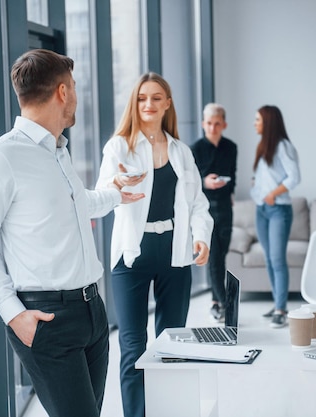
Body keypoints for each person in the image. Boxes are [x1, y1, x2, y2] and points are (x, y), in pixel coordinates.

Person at [0, 49, 144, 417]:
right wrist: (14, 315)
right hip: (45, 319)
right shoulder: (1, 159)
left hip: (91, 311)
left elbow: (77, 205)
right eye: (75, 87)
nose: (77, 96)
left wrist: (116, 194)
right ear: (62, 92)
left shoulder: (58, 151)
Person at [95, 72, 213, 417]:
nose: (149, 104)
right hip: (132, 256)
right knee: (133, 346)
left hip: (174, 255)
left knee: (173, 344)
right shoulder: (119, 146)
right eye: (142, 98)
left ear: (167, 103)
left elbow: (198, 204)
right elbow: (100, 195)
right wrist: (115, 184)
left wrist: (201, 237)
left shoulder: (181, 151)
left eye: (156, 97)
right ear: (135, 103)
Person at [250, 105, 301, 328]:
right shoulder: (263, 146)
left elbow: (294, 178)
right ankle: (277, 303)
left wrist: (272, 193)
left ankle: (281, 309)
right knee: (269, 259)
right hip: (261, 209)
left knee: (278, 260)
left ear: (268, 122)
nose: (255, 123)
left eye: (258, 119)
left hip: (279, 209)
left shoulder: (284, 146)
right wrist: (257, 189)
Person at [191, 103, 237, 322]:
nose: (212, 127)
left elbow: (233, 176)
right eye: (209, 123)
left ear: (224, 125)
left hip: (225, 208)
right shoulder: (195, 149)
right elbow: (189, 184)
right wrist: (205, 183)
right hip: (205, 210)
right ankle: (226, 306)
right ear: (203, 124)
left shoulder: (231, 147)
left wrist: (229, 191)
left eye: (217, 123)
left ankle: (215, 303)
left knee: (221, 256)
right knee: (214, 258)